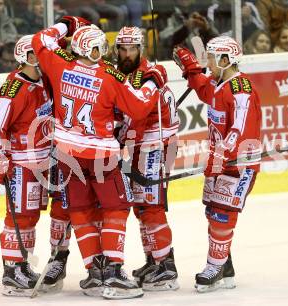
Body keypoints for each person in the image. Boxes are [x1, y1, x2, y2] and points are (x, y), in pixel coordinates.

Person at [31, 17, 168, 299]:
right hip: (100, 157)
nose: (104, 52)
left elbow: (39, 41)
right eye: (100, 48)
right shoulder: (109, 76)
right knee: (116, 208)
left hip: (67, 155)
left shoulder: (59, 65)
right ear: (92, 51)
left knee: (80, 212)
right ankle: (114, 273)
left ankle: (95, 273)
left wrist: (65, 25)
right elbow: (140, 107)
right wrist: (154, 81)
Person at [173, 36, 262, 293]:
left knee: (223, 214)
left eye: (210, 58)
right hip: (219, 161)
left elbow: (239, 129)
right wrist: (191, 69)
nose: (207, 62)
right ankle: (226, 265)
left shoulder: (241, 90)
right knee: (213, 211)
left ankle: (214, 266)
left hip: (239, 163)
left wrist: (221, 155)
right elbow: (204, 89)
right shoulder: (218, 82)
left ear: (225, 60)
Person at [0, 34, 53, 297]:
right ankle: (11, 272)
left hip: (41, 161)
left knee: (31, 217)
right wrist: (0, 162)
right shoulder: (14, 88)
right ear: (30, 57)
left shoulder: (44, 81)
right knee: (19, 217)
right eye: (40, 53)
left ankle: (22, 265)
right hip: (22, 164)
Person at [113, 26, 180, 292]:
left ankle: (166, 266)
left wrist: (120, 140)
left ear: (141, 49)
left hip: (154, 146)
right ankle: (153, 259)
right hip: (142, 146)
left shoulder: (148, 75)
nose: (127, 54)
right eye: (122, 49)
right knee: (141, 207)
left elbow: (136, 118)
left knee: (151, 206)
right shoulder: (124, 73)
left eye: (132, 49)